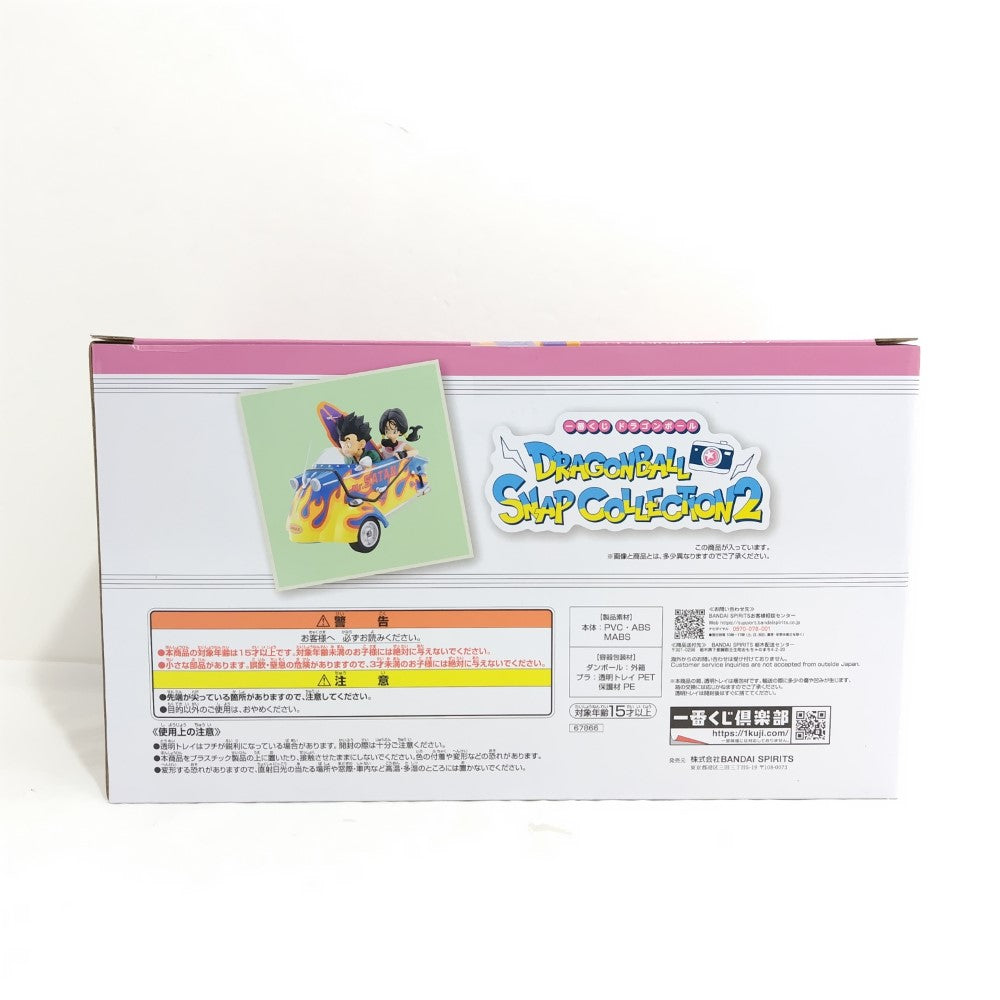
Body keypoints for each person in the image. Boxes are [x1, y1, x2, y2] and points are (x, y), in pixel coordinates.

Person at [316, 411, 381, 468]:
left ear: (361, 444)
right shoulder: (348, 460)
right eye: (342, 445)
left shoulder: (372, 455)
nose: (345, 449)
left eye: (348, 445)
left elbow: (378, 470)